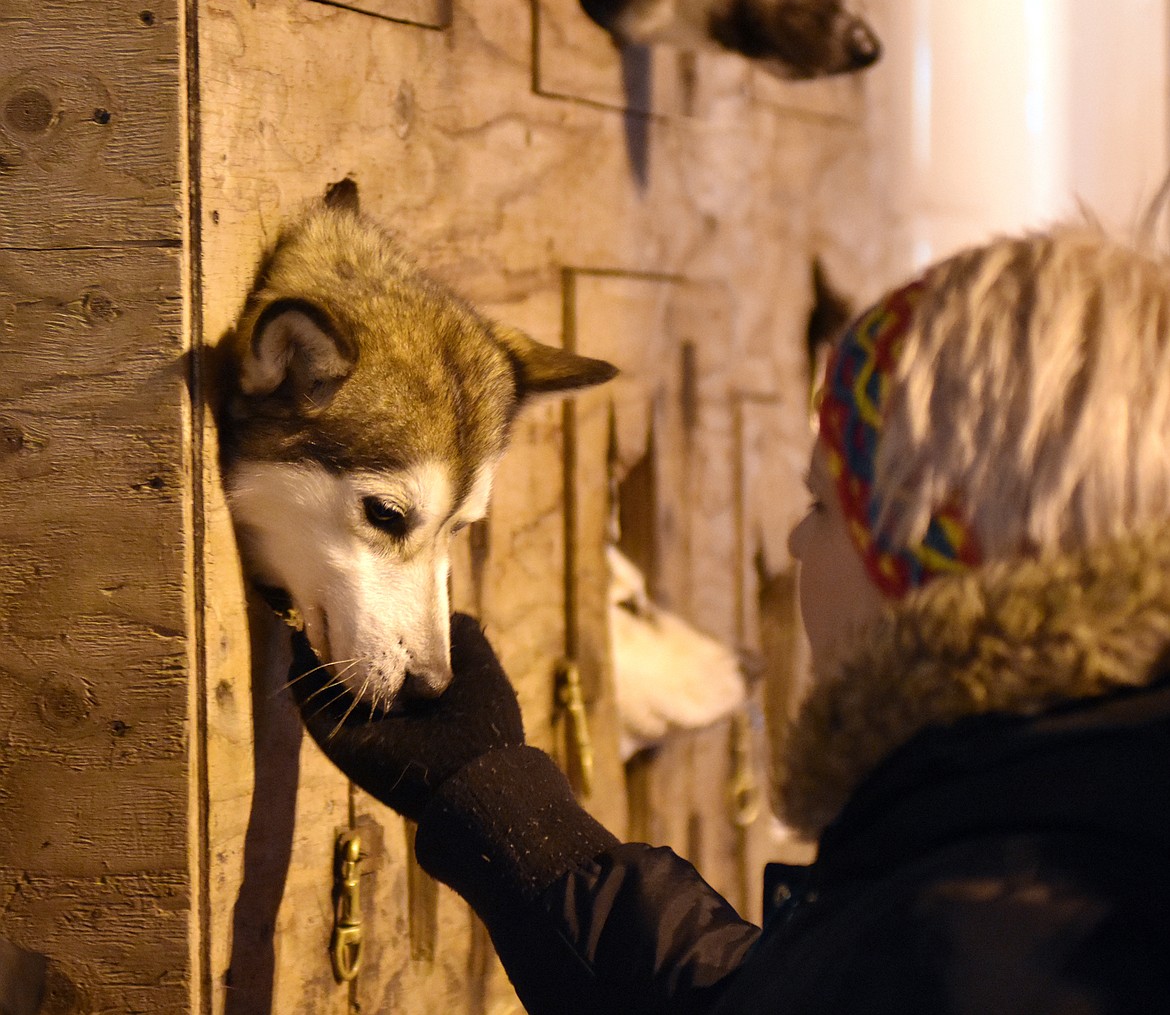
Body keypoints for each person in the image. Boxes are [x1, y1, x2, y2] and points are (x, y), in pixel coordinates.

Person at [290, 222, 1170, 1013]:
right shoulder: (1047, 851)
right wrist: (503, 806)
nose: (792, 541)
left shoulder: (999, 942)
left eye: (822, 502)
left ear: (925, 546)